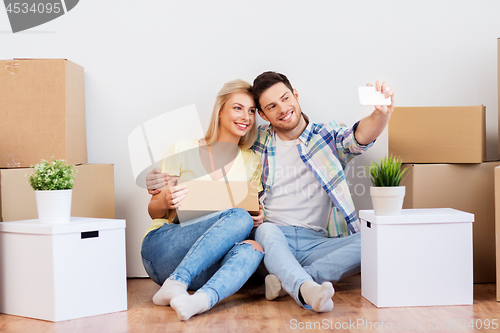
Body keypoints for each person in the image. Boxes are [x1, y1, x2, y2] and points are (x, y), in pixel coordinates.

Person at [147, 72, 394, 313]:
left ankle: (293, 282)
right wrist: (157, 185)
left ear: (295, 95)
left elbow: (358, 136)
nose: (283, 109)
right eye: (271, 106)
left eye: (286, 98)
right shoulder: (258, 144)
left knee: (378, 236)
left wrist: (380, 114)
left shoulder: (324, 136)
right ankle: (301, 285)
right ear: (265, 115)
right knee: (260, 228)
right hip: (272, 237)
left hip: (318, 241)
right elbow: (161, 202)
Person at [141, 79, 265, 321]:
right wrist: (165, 199)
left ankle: (199, 301)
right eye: (238, 108)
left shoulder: (251, 161)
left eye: (251, 111)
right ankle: (176, 282)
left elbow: (251, 211)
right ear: (220, 111)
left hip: (207, 265)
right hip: (165, 248)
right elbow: (154, 212)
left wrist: (259, 216)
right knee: (238, 216)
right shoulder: (182, 148)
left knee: (254, 248)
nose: (246, 117)